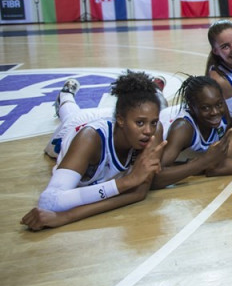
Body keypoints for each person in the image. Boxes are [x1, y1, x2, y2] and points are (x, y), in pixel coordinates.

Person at [21, 72, 165, 231]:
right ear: (121, 119)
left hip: (114, 119)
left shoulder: (153, 132)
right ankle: (65, 96)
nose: (148, 130)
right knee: (71, 115)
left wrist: (67, 216)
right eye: (140, 123)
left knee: (150, 110)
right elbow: (49, 202)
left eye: (153, 122)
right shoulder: (89, 139)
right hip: (76, 126)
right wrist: (127, 181)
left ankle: (156, 90)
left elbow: (139, 193)